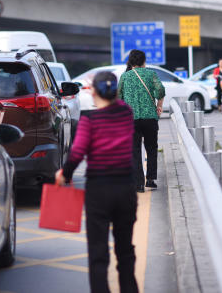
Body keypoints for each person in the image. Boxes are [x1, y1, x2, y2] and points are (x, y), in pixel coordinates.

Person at [56, 71, 138, 293]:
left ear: (94, 91)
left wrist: (65, 173)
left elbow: (78, 152)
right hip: (125, 188)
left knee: (98, 253)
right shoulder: (126, 113)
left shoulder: (89, 120)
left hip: (99, 191)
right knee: (125, 250)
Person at [118, 50, 165, 193]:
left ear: (130, 62)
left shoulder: (125, 77)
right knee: (151, 148)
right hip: (150, 118)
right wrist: (159, 106)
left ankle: (138, 183)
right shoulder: (151, 74)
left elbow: (119, 98)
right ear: (144, 61)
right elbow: (160, 90)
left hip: (131, 120)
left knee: (135, 151)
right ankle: (150, 180)